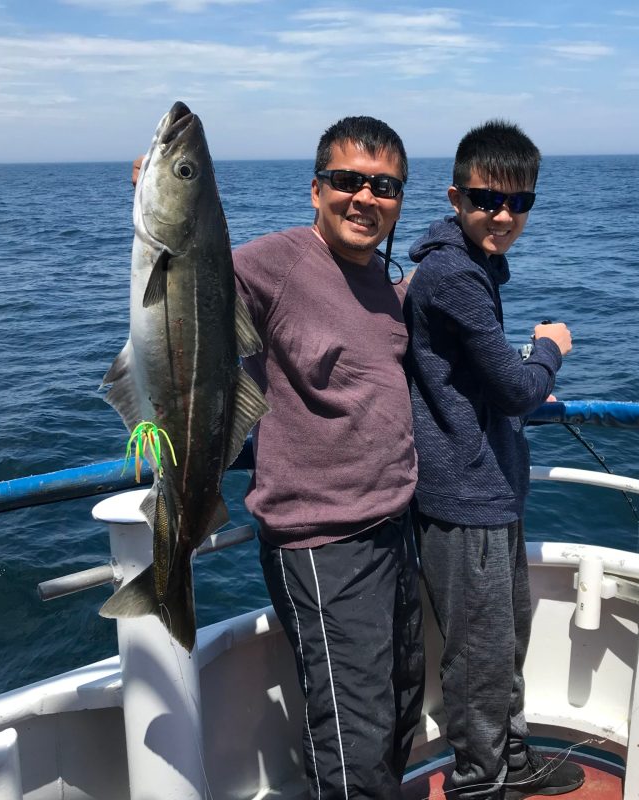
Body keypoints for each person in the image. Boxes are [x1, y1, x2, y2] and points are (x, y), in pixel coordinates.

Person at [232, 116, 424, 800]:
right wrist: (164, 205)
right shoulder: (275, 264)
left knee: (402, 707)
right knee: (354, 738)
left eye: (384, 186)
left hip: (394, 527)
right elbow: (181, 287)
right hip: (320, 540)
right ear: (316, 190)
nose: (364, 198)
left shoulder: (384, 281)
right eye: (347, 182)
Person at [403, 120, 583, 800]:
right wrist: (548, 348)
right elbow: (515, 387)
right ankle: (482, 786)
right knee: (479, 664)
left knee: (506, 642)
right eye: (486, 199)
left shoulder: (471, 267)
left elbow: (481, 376)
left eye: (519, 202)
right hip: (464, 497)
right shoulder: (453, 274)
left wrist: (516, 372)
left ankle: (514, 761)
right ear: (455, 197)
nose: (503, 215)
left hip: (489, 491)